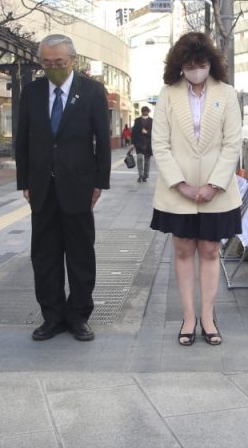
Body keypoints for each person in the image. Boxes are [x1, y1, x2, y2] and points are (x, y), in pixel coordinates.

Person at [16, 34, 110, 342]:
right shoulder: (30, 92)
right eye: (46, 63)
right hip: (42, 186)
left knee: (81, 254)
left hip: (79, 186)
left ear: (73, 61)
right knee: (44, 255)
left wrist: (100, 182)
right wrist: (24, 182)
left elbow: (103, 142)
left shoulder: (92, 92)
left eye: (59, 62)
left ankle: (79, 315)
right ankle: (52, 316)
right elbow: (23, 140)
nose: (53, 68)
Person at [150, 32, 243, 347]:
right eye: (189, 64)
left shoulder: (227, 94)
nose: (195, 69)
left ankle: (208, 316)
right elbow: (159, 145)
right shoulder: (168, 94)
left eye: (201, 63)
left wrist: (214, 184)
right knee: (183, 249)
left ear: (210, 63)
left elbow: (232, 144)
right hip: (178, 191)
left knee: (209, 250)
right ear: (179, 65)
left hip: (218, 191)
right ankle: (188, 316)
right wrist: (182, 185)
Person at [132, 106, 153, 182]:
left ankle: (145, 176)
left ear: (148, 112)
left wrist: (147, 132)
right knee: (139, 158)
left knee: (147, 161)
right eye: (144, 111)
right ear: (142, 112)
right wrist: (132, 143)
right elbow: (133, 132)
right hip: (139, 144)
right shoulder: (137, 120)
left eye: (146, 111)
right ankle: (140, 175)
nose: (145, 113)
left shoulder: (152, 121)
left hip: (148, 144)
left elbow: (155, 132)